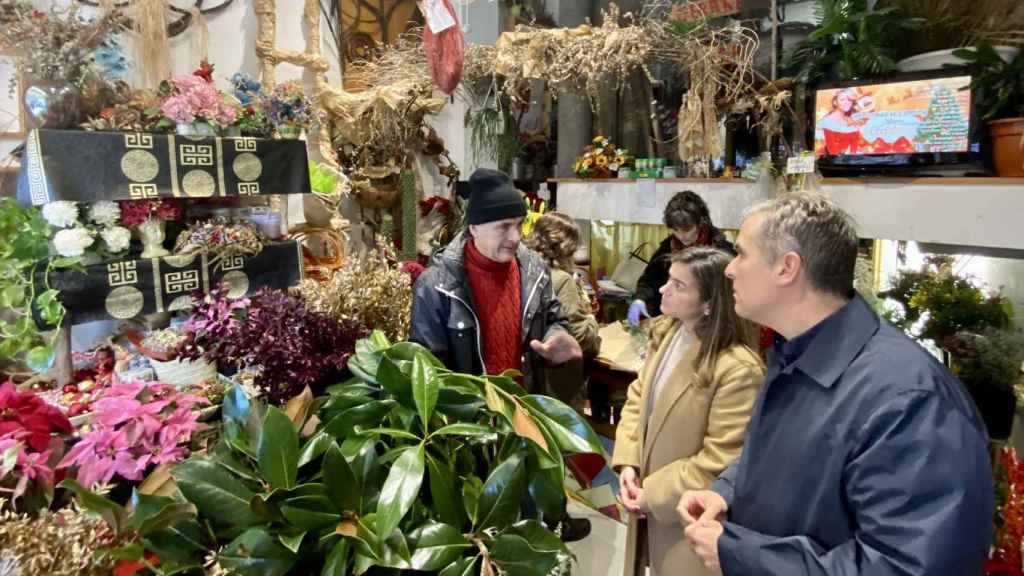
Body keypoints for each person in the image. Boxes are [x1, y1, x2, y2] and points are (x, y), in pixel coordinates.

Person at [678, 194, 993, 574]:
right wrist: (727, 491)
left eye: (742, 254)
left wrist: (740, 555)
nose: (729, 269)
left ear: (786, 268)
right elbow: (793, 456)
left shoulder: (910, 401)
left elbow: (905, 566)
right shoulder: (797, 354)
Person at [612, 247, 764, 576]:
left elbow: (721, 459)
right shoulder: (668, 332)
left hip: (688, 515)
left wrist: (652, 494)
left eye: (679, 286)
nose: (663, 289)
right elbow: (639, 395)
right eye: (669, 279)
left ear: (709, 303)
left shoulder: (737, 369)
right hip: (646, 493)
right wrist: (629, 461)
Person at [411, 168, 582, 392]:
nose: (516, 237)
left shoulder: (535, 270)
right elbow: (429, 369)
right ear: (474, 228)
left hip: (525, 407)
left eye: (519, 224)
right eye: (503, 226)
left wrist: (556, 335)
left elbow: (553, 318)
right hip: (472, 412)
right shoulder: (435, 286)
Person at [524, 212, 601, 409]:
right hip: (556, 386)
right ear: (567, 247)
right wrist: (591, 320)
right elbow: (577, 336)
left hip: (529, 380)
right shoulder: (561, 279)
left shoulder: (523, 270)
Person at [628, 191, 733, 326]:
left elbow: (726, 294)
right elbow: (650, 279)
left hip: (708, 322)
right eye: (676, 230)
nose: (681, 236)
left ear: (701, 222)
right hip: (670, 320)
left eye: (687, 230)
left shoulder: (720, 251)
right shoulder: (669, 246)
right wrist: (640, 298)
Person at [819, 88, 869, 155]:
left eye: (849, 100)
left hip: (849, 157)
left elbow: (854, 142)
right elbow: (832, 149)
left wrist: (853, 155)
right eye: (842, 99)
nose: (847, 102)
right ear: (835, 102)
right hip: (832, 158)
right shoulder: (828, 120)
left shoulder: (849, 118)